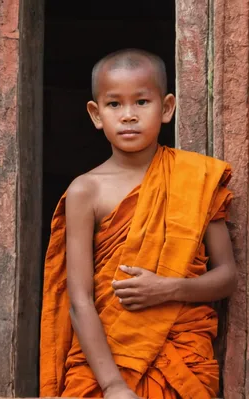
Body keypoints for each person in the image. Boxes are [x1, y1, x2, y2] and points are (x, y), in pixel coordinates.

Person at [40, 48, 237, 399]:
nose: (128, 116)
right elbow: (80, 299)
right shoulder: (86, 191)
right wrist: (113, 384)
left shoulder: (194, 178)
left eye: (142, 102)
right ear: (96, 114)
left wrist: (169, 288)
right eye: (114, 105)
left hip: (180, 358)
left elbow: (227, 276)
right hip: (103, 363)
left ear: (167, 108)